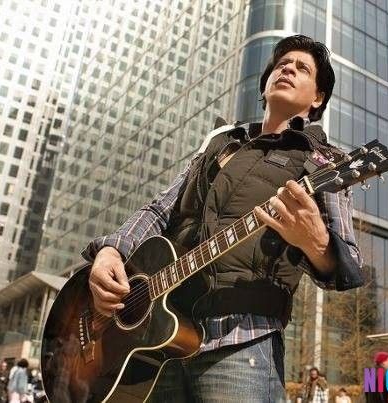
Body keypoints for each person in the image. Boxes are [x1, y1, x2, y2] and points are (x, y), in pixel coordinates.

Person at [83, 34, 363, 402]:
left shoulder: (326, 161)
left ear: (318, 98)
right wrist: (111, 252)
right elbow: (159, 209)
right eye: (281, 64)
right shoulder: (220, 143)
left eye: (302, 68)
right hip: (157, 345)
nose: (287, 70)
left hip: (241, 344)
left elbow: (347, 265)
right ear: (265, 85)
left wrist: (316, 243)